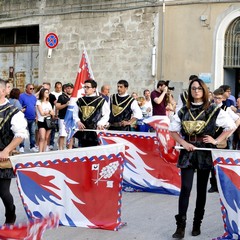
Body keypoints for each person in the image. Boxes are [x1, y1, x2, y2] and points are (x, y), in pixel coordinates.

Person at [169, 78, 236, 238]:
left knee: (201, 190)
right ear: (190, 91)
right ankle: (180, 226)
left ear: (204, 90)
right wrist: (184, 143)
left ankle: (196, 223)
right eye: (193, 88)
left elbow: (231, 126)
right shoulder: (183, 110)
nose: (196, 90)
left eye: (199, 88)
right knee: (185, 188)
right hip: (187, 151)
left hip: (205, 151)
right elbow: (172, 131)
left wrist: (217, 140)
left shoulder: (213, 109)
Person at [0, 78, 28, 224]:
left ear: (4, 91)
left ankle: (10, 215)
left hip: (3, 156)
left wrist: (6, 150)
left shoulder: (13, 112)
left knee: (3, 192)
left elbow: (20, 134)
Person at [208, 88, 240, 193]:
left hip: (221, 138)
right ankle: (214, 185)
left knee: (222, 161)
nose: (217, 100)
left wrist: (228, 134)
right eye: (215, 97)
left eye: (219, 98)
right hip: (210, 137)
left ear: (223, 98)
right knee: (211, 162)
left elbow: (237, 120)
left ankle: (223, 184)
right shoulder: (210, 107)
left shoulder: (226, 109)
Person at [73, 79, 110, 147]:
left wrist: (100, 123)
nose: (86, 89)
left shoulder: (101, 101)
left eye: (88, 87)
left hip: (95, 131)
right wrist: (78, 122)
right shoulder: (80, 100)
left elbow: (106, 114)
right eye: (85, 87)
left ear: (94, 89)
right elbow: (75, 113)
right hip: (83, 130)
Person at [19, 83, 38, 153]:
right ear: (26, 89)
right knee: (23, 132)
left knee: (32, 133)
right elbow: (19, 106)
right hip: (24, 118)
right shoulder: (21, 96)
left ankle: (32, 146)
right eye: (30, 88)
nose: (32, 90)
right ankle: (21, 146)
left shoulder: (34, 97)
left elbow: (35, 107)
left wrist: (36, 115)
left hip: (32, 118)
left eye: (33, 89)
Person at [56, 83, 74, 150]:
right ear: (65, 89)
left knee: (71, 134)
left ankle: (70, 148)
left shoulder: (74, 97)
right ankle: (60, 149)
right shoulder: (61, 96)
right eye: (68, 88)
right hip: (63, 118)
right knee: (62, 134)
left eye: (71, 88)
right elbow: (57, 106)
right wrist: (66, 105)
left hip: (72, 118)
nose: (69, 90)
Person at [36, 88, 55, 152]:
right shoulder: (39, 102)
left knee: (46, 138)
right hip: (41, 121)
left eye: (48, 92)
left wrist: (48, 112)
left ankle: (44, 152)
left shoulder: (49, 103)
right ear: (42, 93)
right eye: (46, 92)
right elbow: (42, 113)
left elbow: (53, 113)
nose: (48, 94)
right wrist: (49, 112)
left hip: (48, 121)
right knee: (42, 137)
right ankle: (40, 152)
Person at [49, 81, 62, 150]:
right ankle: (51, 143)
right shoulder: (52, 94)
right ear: (55, 87)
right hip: (53, 114)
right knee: (52, 130)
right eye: (57, 87)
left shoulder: (62, 94)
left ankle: (59, 144)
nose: (59, 89)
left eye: (60, 87)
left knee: (60, 130)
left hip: (61, 115)